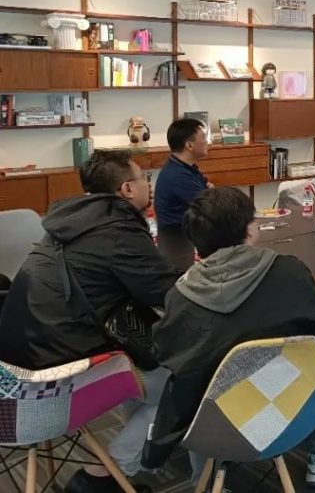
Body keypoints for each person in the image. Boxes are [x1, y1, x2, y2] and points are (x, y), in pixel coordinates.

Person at [144, 188, 315, 488]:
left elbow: (166, 353)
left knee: (190, 378)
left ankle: (204, 481)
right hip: (290, 407)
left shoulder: (181, 295)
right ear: (251, 230)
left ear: (197, 243)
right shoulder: (290, 271)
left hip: (215, 422)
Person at [0, 150, 178, 493]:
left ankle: (134, 455)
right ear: (127, 189)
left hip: (13, 368)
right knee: (179, 379)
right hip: (49, 382)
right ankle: (103, 476)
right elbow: (165, 293)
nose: (150, 185)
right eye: (145, 178)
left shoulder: (72, 221)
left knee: (146, 365)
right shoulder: (118, 230)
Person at [154, 118, 211, 263]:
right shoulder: (178, 175)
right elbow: (210, 204)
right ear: (189, 145)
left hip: (183, 238)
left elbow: (208, 191)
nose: (207, 142)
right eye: (203, 138)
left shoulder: (184, 167)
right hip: (176, 243)